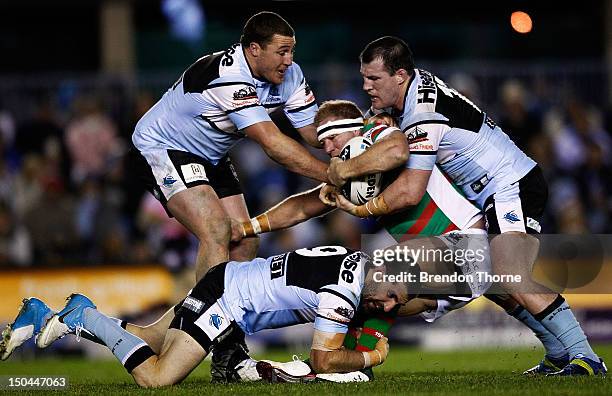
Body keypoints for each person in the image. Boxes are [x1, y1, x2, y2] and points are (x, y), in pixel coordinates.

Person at [0, 11, 329, 380]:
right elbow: (273, 144)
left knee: (244, 243)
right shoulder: (228, 75)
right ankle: (223, 347)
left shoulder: (290, 76)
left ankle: (77, 317)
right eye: (282, 52)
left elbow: (317, 134)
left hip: (210, 155)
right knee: (218, 233)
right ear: (254, 49)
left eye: (292, 52)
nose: (289, 60)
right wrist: (334, 174)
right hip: (161, 147)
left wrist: (359, 141)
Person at [231, 99, 603, 377]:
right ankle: (562, 353)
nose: (326, 150)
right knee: (364, 295)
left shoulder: (379, 135)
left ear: (352, 128)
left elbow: (397, 148)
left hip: (462, 243)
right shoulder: (350, 168)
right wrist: (248, 228)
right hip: (440, 257)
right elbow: (301, 208)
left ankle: (586, 358)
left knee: (374, 274)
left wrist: (355, 195)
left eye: (329, 139)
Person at [322, 36, 604, 376]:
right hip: (498, 189)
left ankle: (586, 358)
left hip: (509, 184)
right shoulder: (414, 87)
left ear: (400, 75)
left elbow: (411, 192)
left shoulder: (423, 115)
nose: (366, 86)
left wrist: (359, 208)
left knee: (509, 274)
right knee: (499, 285)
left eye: (374, 79)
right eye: (364, 77)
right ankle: (560, 354)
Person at [17, 246, 403, 388]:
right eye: (388, 298)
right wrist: (373, 357)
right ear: (381, 275)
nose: (386, 308)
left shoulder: (360, 263)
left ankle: (47, 315)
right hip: (225, 300)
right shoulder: (345, 290)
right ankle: (82, 311)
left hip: (229, 284)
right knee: (156, 377)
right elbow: (322, 361)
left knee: (147, 340)